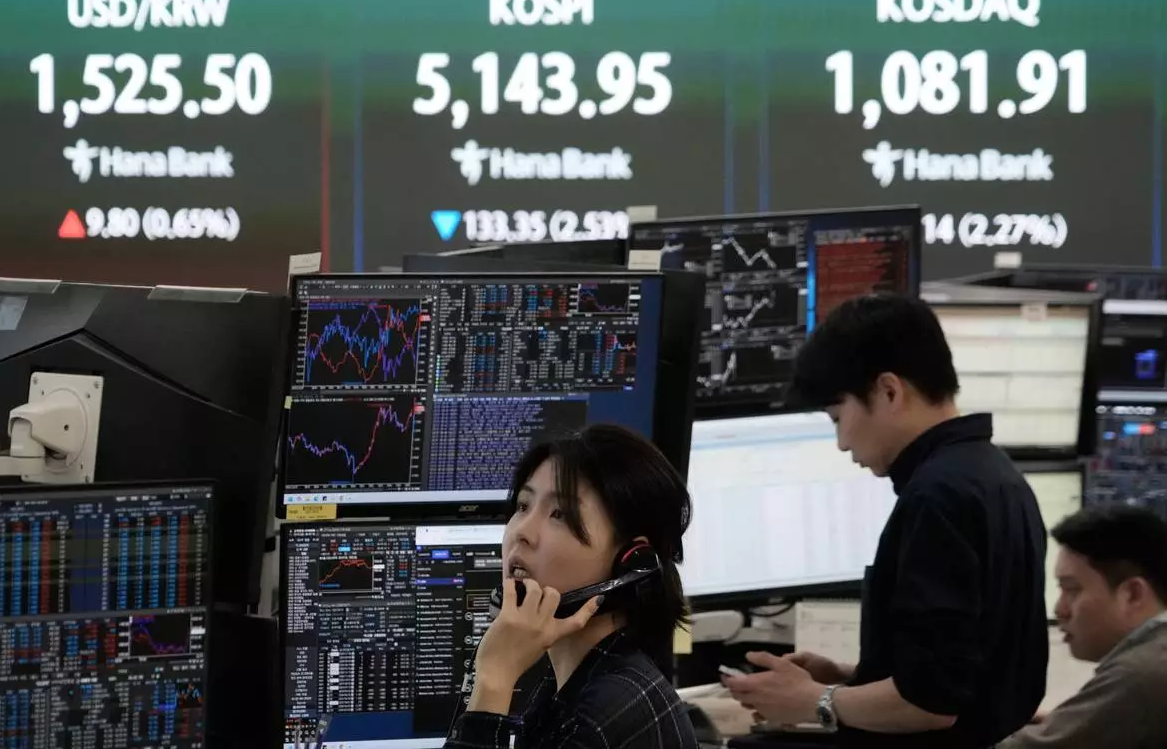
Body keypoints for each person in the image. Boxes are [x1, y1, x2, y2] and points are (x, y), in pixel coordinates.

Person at [724, 293, 1048, 748]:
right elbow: (961, 673)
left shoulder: (937, 497)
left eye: (837, 417)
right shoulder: (997, 477)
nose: (841, 443)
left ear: (889, 391)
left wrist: (816, 700)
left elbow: (931, 704)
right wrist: (846, 678)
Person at [444, 424, 699, 749]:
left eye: (559, 514)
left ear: (631, 560)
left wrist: (495, 677)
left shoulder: (597, 719)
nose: (522, 532)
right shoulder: (582, 683)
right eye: (523, 506)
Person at [998, 505, 1167, 748]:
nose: (1060, 610)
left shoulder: (1143, 674)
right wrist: (1071, 720)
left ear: (1132, 594)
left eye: (1072, 590)